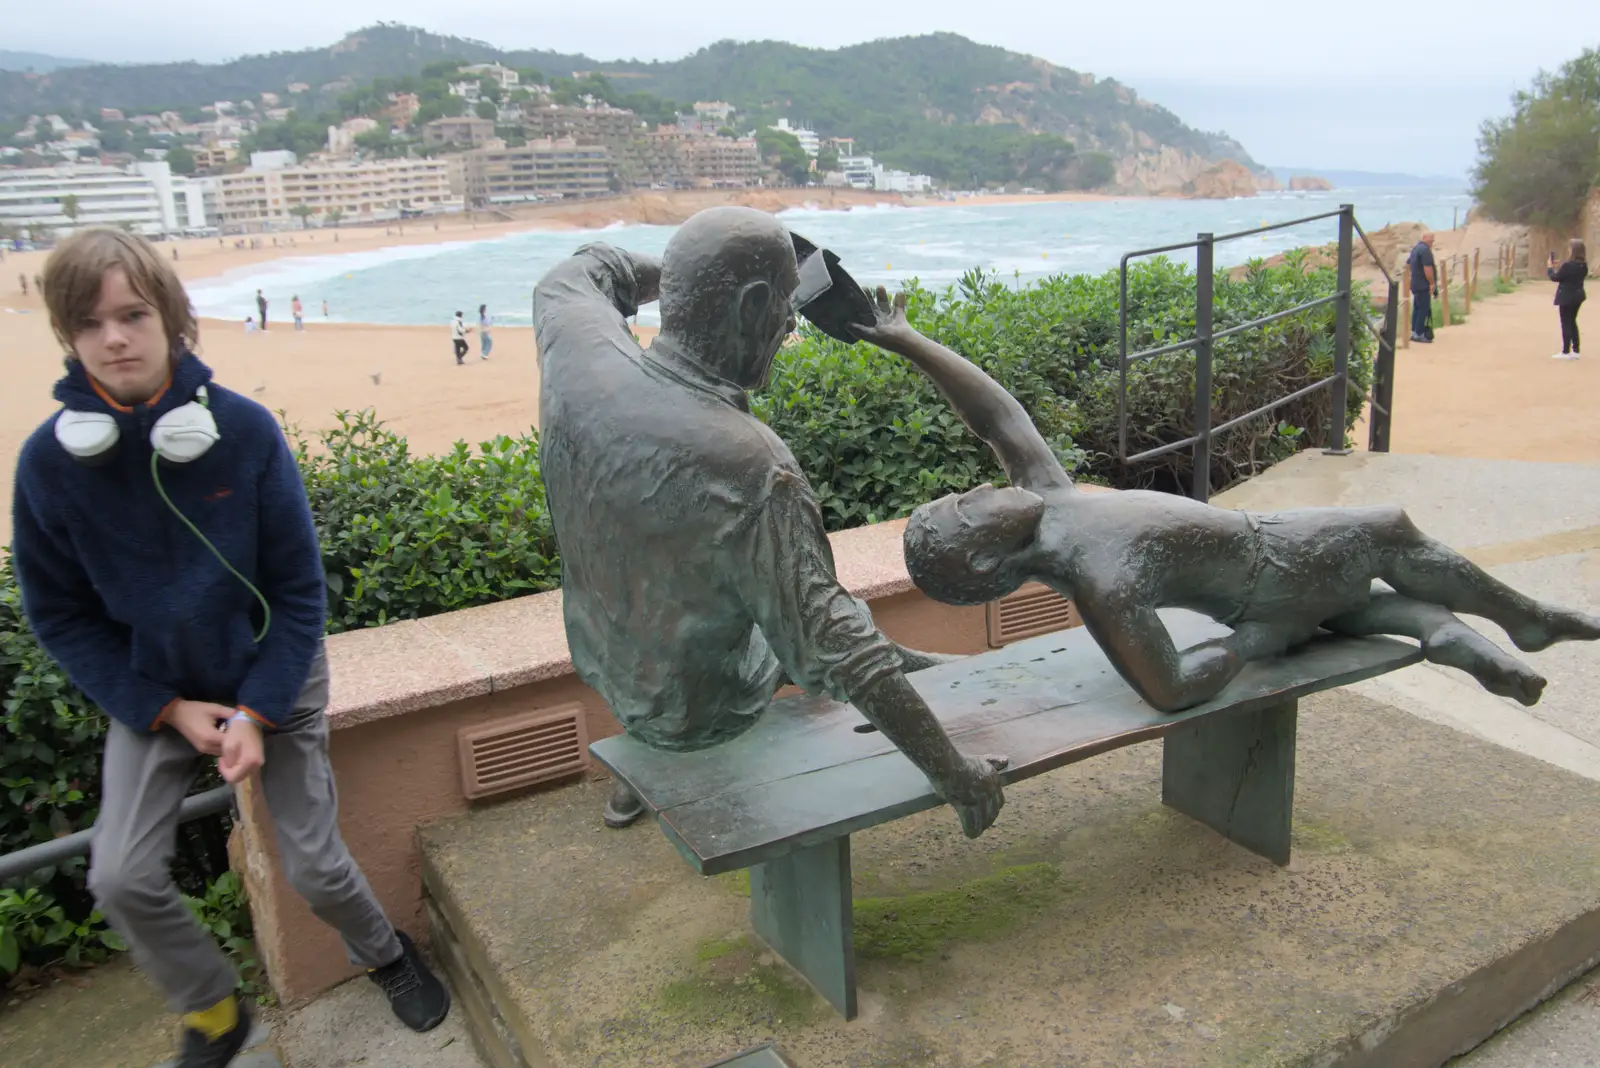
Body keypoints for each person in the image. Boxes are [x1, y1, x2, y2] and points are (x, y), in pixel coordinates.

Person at [13, 229, 449, 1068]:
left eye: (133, 314)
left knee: (316, 867)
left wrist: (257, 709)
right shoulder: (47, 466)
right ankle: (213, 1006)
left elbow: (297, 594)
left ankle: (388, 955)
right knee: (118, 875)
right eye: (91, 322)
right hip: (156, 691)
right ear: (68, 336)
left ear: (171, 317)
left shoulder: (243, 433)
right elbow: (61, 617)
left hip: (273, 678)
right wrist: (167, 709)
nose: (115, 338)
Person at [849, 285, 1600, 713]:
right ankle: (1524, 620)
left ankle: (1453, 637)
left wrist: (904, 338)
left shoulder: (1048, 499)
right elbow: (1168, 689)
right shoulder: (1102, 577)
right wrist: (1250, 647)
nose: (974, 489)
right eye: (962, 508)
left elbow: (995, 415)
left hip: (1277, 582)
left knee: (1355, 604)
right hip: (1275, 561)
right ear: (985, 553)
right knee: (1386, 528)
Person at [532, 207, 1005, 837]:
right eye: (785, 305)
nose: (792, 322)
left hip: (610, 662)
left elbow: (583, 270)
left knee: (730, 590)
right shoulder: (751, 466)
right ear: (754, 306)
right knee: (827, 618)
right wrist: (956, 774)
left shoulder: (578, 349)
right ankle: (920, 675)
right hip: (705, 711)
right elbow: (838, 647)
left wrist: (683, 282)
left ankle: (630, 782)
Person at [1547, 239, 1587, 360]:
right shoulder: (1583, 265)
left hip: (1566, 297)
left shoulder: (1568, 266)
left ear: (1573, 251)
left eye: (1570, 249)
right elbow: (1569, 274)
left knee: (1566, 323)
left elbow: (1555, 277)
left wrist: (1550, 268)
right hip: (1578, 296)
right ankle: (1576, 350)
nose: (1568, 250)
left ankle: (1565, 351)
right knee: (1572, 321)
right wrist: (1561, 267)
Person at [1406, 231, 1436, 343]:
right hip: (1423, 284)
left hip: (1415, 283)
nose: (1432, 242)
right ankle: (1419, 333)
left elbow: (1408, 264)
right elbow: (1427, 269)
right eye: (1431, 239)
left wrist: (1412, 277)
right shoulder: (1425, 251)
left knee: (1417, 308)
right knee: (1423, 308)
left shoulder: (1415, 249)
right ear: (1424, 238)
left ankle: (1414, 331)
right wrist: (1432, 283)